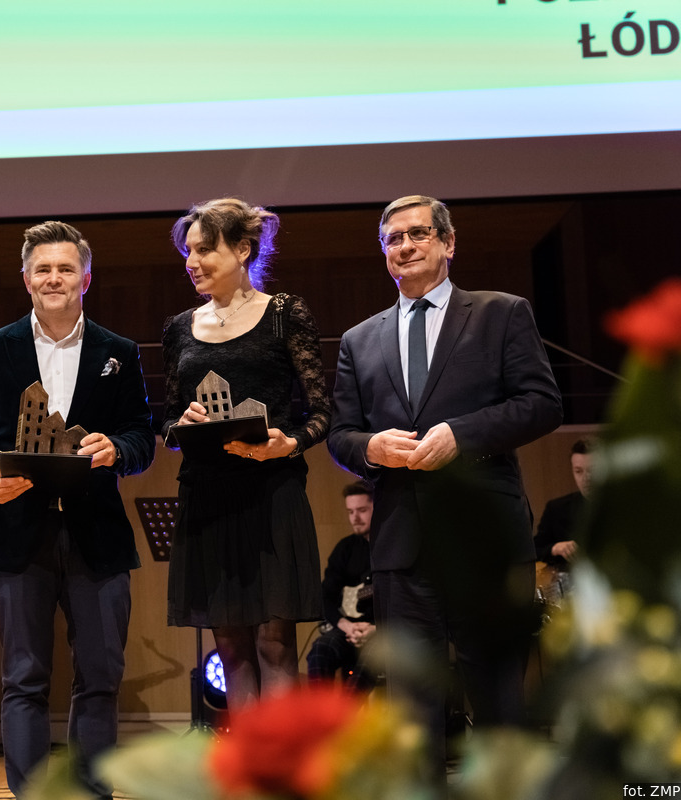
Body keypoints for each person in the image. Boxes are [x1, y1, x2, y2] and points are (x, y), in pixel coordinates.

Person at [327, 195, 562, 773]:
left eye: (418, 234)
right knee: (412, 710)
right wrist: (370, 448)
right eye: (393, 239)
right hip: (401, 545)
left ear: (448, 243)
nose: (405, 247)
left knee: (498, 698)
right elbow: (340, 434)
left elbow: (542, 404)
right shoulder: (360, 339)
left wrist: (463, 433)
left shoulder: (501, 313)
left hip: (484, 540)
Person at [0, 220, 155, 799]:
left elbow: (141, 436)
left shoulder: (119, 351)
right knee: (24, 680)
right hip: (16, 534)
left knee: (101, 678)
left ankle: (91, 793)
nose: (54, 278)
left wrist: (119, 449)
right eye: (42, 269)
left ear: (85, 278)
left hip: (98, 536)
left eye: (66, 268)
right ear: (26, 279)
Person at [161, 198, 328, 708]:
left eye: (204, 250)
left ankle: (281, 758)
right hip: (208, 497)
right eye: (188, 252)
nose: (192, 262)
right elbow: (167, 421)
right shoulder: (179, 328)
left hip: (271, 493)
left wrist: (289, 443)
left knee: (274, 644)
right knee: (231, 649)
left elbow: (323, 411)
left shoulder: (284, 313)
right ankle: (247, 758)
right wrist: (181, 427)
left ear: (242, 250)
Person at [306, 482, 376, 690]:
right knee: (320, 651)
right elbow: (325, 597)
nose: (355, 518)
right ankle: (321, 710)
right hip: (349, 629)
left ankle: (346, 711)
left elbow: (404, 601)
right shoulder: (345, 548)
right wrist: (346, 625)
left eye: (362, 510)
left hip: (383, 631)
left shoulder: (392, 548)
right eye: (350, 512)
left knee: (372, 660)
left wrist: (376, 628)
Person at [533, 437, 593, 568]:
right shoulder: (556, 508)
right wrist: (554, 548)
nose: (586, 478)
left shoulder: (627, 506)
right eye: (578, 471)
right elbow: (534, 550)